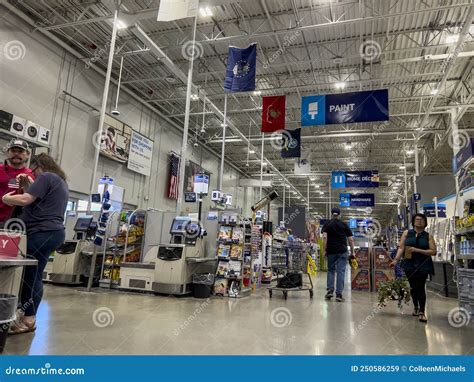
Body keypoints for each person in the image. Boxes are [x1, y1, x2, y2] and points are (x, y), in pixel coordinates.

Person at [2, 153, 69, 334]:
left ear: (40, 166)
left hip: (40, 232)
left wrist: (6, 199)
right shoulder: (60, 182)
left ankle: (28, 319)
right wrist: (26, 185)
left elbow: (26, 200)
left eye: (33, 169)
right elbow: (38, 199)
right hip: (53, 233)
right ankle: (28, 317)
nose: (33, 173)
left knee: (29, 275)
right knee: (35, 274)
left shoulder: (46, 176)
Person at [390, 213, 436, 322]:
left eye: (421, 220)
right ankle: (415, 307)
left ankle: (422, 311)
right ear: (413, 221)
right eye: (417, 219)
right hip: (409, 263)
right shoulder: (406, 233)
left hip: (423, 264)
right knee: (413, 287)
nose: (419, 221)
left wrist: (418, 250)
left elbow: (433, 251)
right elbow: (401, 248)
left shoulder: (428, 236)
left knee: (420, 286)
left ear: (425, 223)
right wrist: (395, 260)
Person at [322, 207, 355, 302]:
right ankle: (339, 294)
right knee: (341, 272)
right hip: (342, 252)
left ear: (332, 214)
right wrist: (352, 252)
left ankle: (330, 291)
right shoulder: (344, 224)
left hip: (331, 251)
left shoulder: (327, 224)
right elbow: (351, 240)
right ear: (340, 215)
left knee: (331, 270)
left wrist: (324, 250)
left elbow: (324, 238)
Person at [0, 139, 34, 226]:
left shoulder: (31, 175)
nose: (16, 153)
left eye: (20, 151)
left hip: (16, 223)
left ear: (27, 154)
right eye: (13, 151)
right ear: (8, 152)